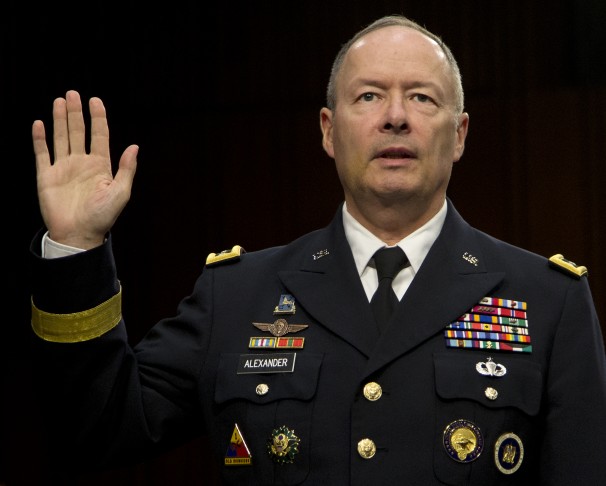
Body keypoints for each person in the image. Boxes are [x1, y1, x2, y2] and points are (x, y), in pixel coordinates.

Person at [28, 14, 606, 485]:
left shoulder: (549, 302)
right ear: (329, 130)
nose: (396, 117)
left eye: (422, 98)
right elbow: (97, 433)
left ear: (459, 136)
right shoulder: (237, 295)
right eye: (369, 95)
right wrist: (77, 248)